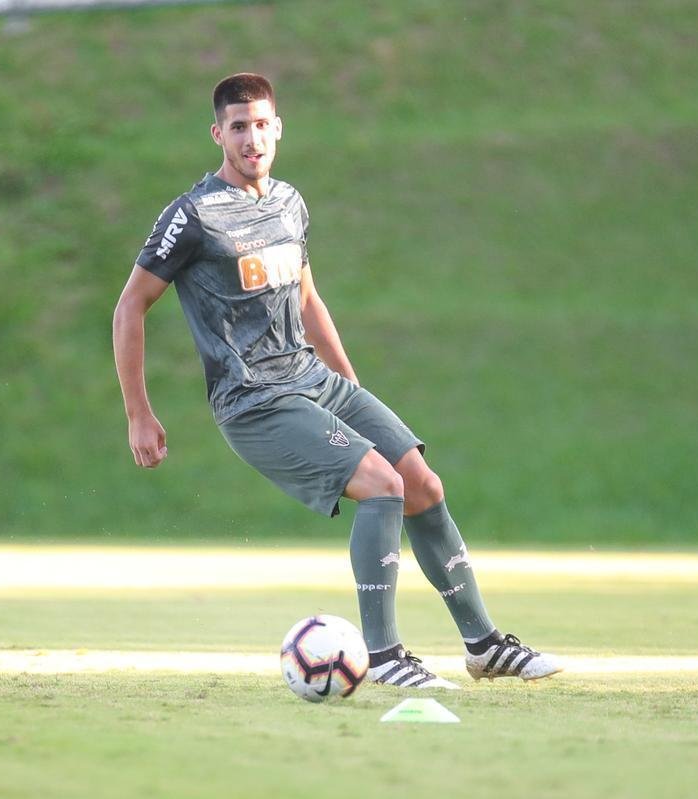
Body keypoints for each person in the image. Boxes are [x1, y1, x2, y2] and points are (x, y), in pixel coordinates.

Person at [112, 73, 561, 689]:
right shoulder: (192, 216)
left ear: (278, 128)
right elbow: (130, 305)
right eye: (238, 126)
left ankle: (484, 646)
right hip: (255, 401)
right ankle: (382, 657)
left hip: (316, 382)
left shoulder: (291, 203)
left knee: (421, 483)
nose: (251, 137)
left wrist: (350, 390)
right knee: (381, 486)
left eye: (262, 123)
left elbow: (307, 297)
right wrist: (139, 412)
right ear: (218, 134)